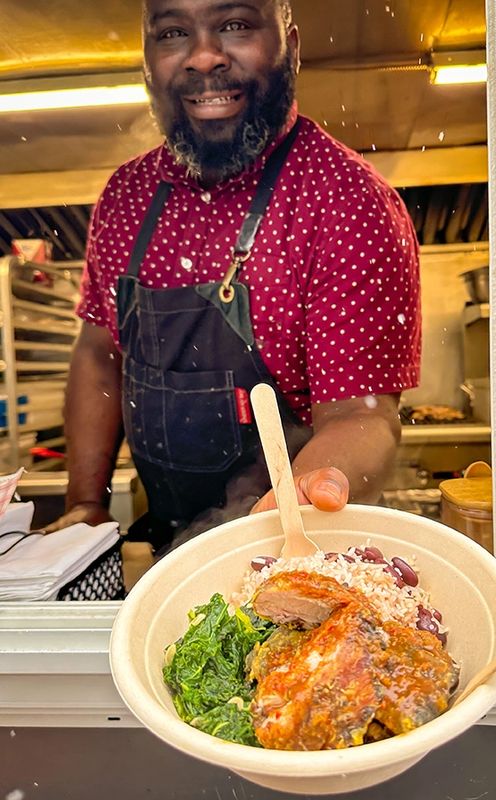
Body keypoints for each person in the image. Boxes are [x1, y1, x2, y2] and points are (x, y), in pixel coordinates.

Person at [45, 0, 421, 552]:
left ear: (290, 45)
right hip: (167, 545)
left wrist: (289, 518)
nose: (202, 57)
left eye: (235, 25)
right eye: (173, 32)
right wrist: (85, 503)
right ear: (147, 61)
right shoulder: (126, 196)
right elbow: (101, 352)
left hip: (301, 549)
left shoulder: (346, 199)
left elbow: (358, 418)